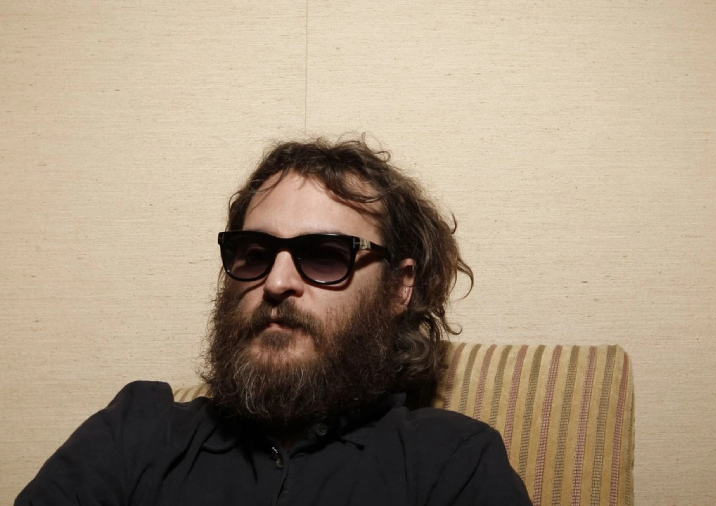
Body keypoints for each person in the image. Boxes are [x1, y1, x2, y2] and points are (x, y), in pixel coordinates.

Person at [16, 137, 532, 505]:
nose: (277, 282)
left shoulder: (452, 462)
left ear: (400, 285)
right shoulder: (135, 432)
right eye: (255, 251)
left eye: (327, 255)